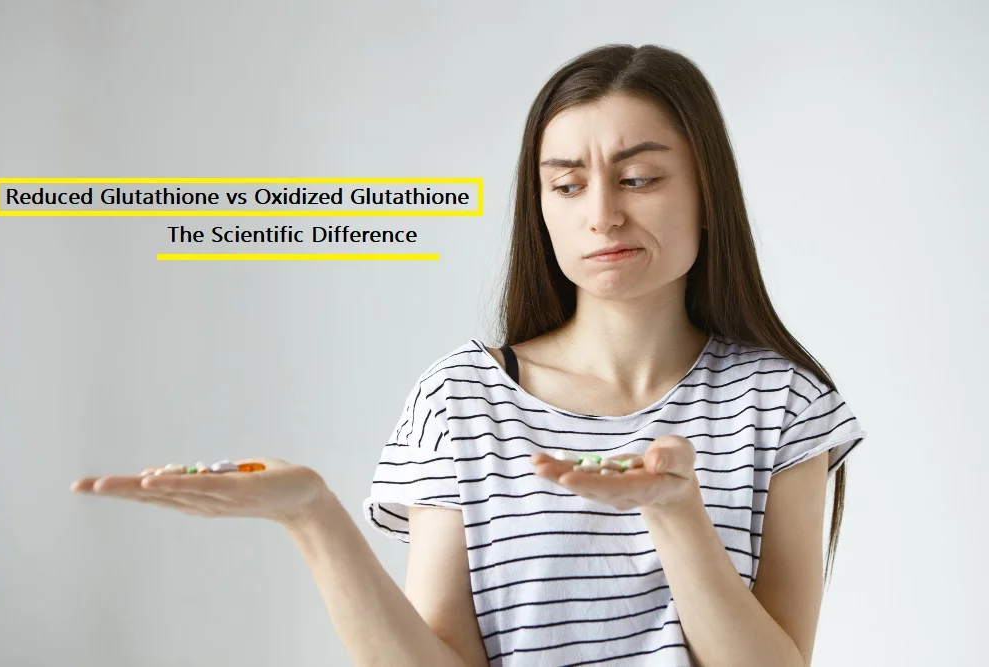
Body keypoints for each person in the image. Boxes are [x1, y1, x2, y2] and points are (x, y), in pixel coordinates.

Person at [71, 43, 866, 667]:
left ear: (707, 191)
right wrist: (312, 516)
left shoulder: (784, 404)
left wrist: (676, 514)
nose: (602, 214)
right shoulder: (461, 397)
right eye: (566, 186)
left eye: (638, 178)